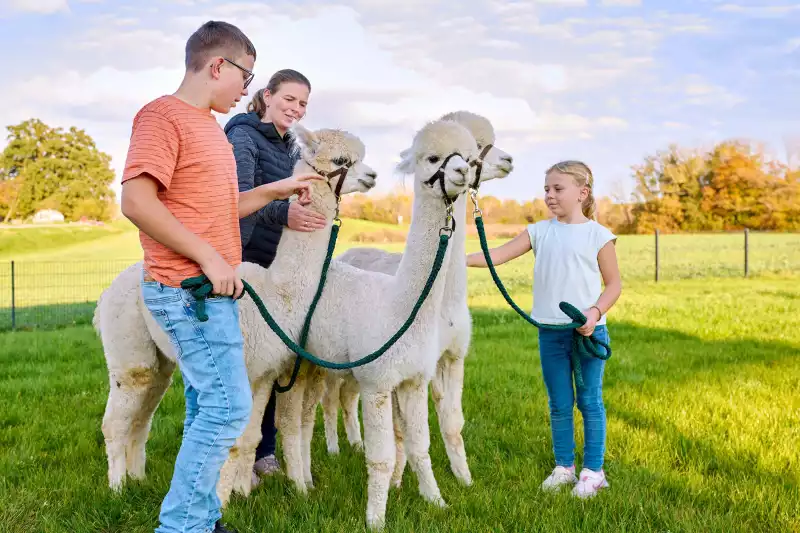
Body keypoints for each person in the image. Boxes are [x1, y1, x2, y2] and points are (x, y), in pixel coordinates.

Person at [119, 21, 321, 533]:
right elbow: (137, 202)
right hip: (187, 291)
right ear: (217, 66)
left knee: (206, 408)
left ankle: (202, 517)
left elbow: (222, 207)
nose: (246, 90)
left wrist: (277, 190)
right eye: (246, 77)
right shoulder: (162, 117)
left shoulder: (209, 126)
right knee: (229, 408)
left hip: (215, 291)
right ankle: (181, 525)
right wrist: (209, 258)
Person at [466, 160, 622, 499]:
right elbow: (499, 255)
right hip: (550, 332)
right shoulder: (539, 231)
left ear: (582, 193)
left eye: (557, 189)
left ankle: (594, 472)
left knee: (589, 400)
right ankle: (564, 467)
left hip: (587, 332)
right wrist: (459, 258)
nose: (549, 195)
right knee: (559, 402)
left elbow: (613, 285)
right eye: (547, 189)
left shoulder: (598, 234)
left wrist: (594, 313)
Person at [223, 68, 324, 487]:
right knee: (242, 363)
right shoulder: (241, 138)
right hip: (242, 258)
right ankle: (231, 451)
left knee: (269, 362)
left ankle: (263, 450)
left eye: (302, 103)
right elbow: (238, 199)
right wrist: (287, 213)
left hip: (275, 263)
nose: (295, 109)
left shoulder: (291, 148)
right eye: (289, 99)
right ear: (267, 95)